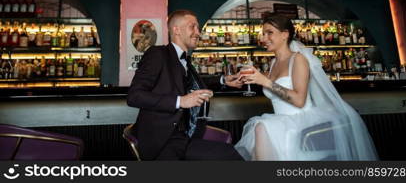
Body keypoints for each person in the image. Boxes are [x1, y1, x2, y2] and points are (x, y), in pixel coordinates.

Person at [234, 14, 378, 160]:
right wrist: (240, 79)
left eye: (269, 33)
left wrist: (265, 82)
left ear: (285, 34)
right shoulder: (273, 63)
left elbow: (299, 100)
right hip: (281, 121)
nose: (263, 38)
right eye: (263, 33)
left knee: (261, 127)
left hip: (300, 122)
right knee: (261, 129)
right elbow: (265, 80)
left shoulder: (298, 59)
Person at [127, 10, 244, 160]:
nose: (198, 32)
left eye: (198, 27)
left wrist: (223, 80)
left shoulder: (185, 61)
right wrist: (181, 101)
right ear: (176, 30)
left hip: (186, 137)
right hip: (164, 141)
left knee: (229, 152)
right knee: (229, 155)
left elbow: (195, 82)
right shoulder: (157, 54)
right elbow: (134, 96)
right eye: (192, 27)